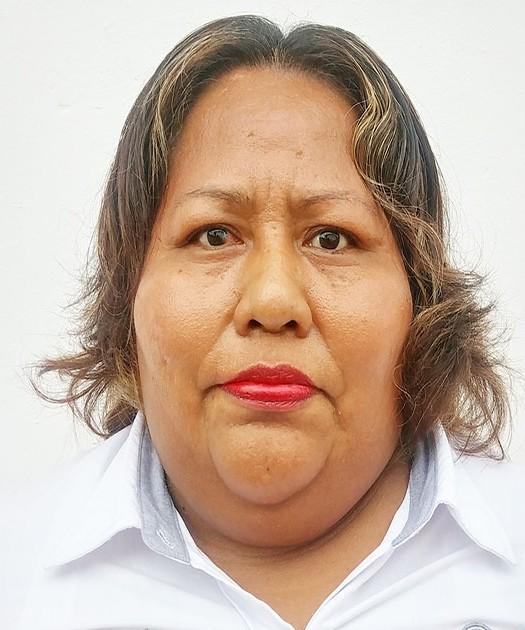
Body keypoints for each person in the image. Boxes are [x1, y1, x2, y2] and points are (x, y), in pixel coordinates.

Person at [2, 13, 524, 630]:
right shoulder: (17, 574)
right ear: (128, 293)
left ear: (421, 295)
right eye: (213, 235)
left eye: (331, 238)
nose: (273, 302)